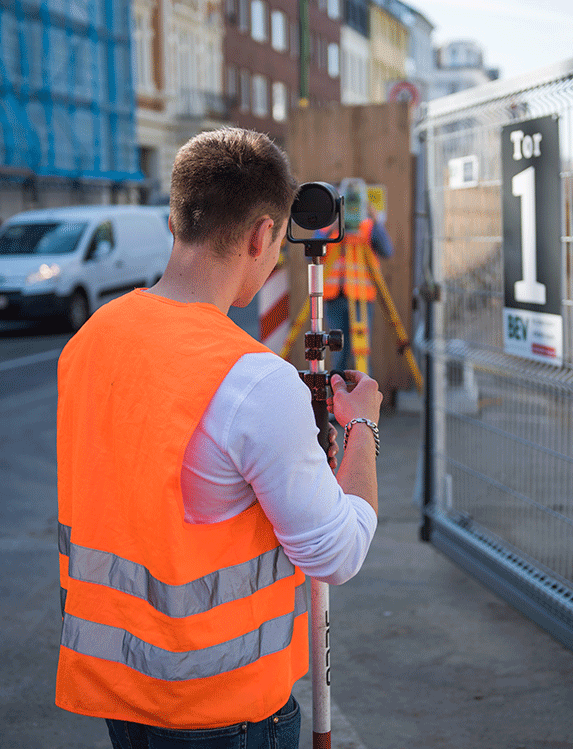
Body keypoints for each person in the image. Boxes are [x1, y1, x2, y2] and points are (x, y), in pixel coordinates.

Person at [55, 127, 383, 749]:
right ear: (263, 235)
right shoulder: (252, 382)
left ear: (176, 220)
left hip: (121, 692)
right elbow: (336, 554)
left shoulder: (93, 338)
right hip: (224, 710)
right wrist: (360, 427)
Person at [320, 202, 394, 372]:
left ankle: (363, 392)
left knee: (361, 353)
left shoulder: (368, 228)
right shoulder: (329, 229)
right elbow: (310, 252)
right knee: (338, 352)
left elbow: (387, 251)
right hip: (334, 299)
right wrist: (333, 225)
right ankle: (337, 391)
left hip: (361, 298)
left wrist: (376, 221)